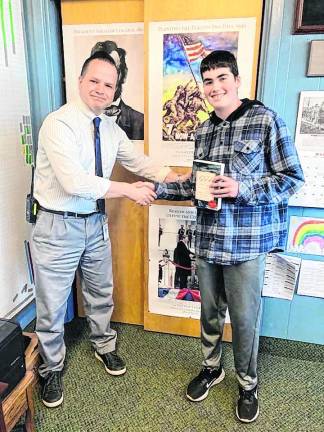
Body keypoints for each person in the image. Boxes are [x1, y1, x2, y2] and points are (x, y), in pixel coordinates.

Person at [153, 50, 304, 423]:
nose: (215, 87)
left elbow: (292, 179)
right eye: (208, 81)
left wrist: (242, 188)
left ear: (237, 80)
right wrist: (155, 189)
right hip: (206, 240)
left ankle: (247, 385)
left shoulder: (265, 120)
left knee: (245, 318)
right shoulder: (203, 130)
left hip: (246, 244)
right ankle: (211, 368)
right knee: (209, 313)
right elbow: (196, 183)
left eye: (222, 78)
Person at [31, 51, 183, 409]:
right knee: (52, 304)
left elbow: (137, 161)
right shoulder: (58, 124)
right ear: (80, 81)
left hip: (95, 223)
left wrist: (172, 177)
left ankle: (104, 346)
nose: (101, 89)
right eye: (94, 81)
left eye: (109, 84)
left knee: (102, 291)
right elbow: (73, 181)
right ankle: (51, 367)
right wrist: (128, 190)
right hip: (57, 225)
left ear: (115, 91)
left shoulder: (111, 129)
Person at [91, 40, 144, 140]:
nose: (105, 78)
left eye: (113, 70)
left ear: (124, 74)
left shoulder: (141, 122)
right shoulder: (75, 121)